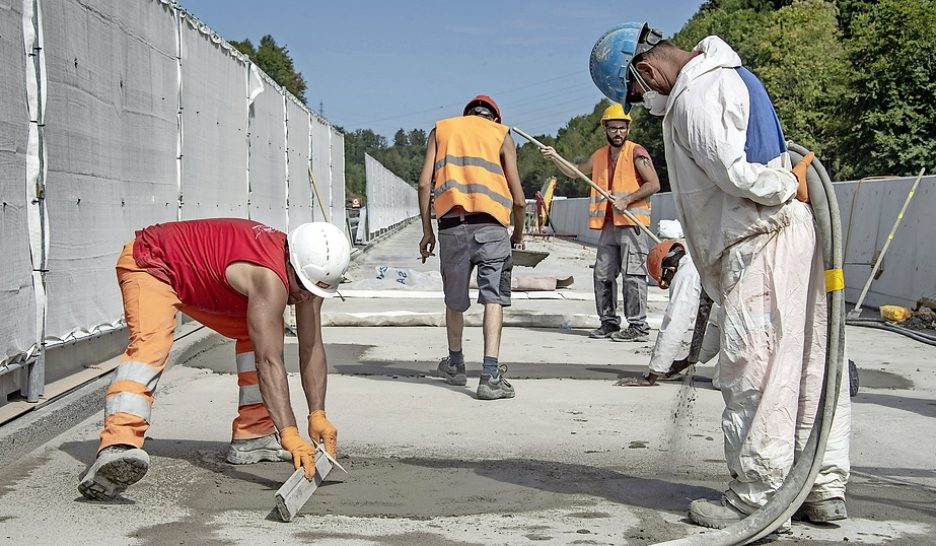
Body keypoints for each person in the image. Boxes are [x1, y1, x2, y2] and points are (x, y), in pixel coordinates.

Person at [589, 23, 851, 528]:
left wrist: (780, 185)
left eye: (636, 93)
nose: (642, 104)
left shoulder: (694, 94)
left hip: (760, 239)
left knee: (756, 370)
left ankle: (757, 497)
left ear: (645, 70)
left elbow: (734, 172)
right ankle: (821, 486)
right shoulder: (732, 74)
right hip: (785, 235)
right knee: (810, 362)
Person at [78, 219, 350, 500]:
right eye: (303, 288)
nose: (304, 297)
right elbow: (269, 362)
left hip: (196, 279)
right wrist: (289, 433)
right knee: (151, 345)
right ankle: (118, 444)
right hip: (151, 262)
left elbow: (312, 345)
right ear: (292, 263)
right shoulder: (269, 276)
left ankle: (254, 435)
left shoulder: (307, 277)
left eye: (313, 292)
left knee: (262, 331)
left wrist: (318, 414)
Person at [417, 95, 526, 400]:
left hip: (452, 227)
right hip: (492, 228)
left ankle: (456, 365)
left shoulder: (441, 130)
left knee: (454, 299)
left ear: (467, 116)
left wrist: (428, 231)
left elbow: (425, 184)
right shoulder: (501, 135)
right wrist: (517, 233)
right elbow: (518, 199)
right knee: (493, 298)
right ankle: (489, 377)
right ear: (494, 117)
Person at [539, 103, 660, 342]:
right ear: (605, 129)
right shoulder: (600, 155)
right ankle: (608, 323)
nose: (618, 133)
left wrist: (627, 199)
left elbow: (654, 184)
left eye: (622, 128)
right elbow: (575, 172)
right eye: (613, 128)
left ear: (628, 129)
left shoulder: (637, 153)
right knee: (602, 275)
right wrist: (555, 158)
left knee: (633, 275)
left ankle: (638, 326)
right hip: (608, 225)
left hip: (631, 223)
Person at [613, 237, 721, 388]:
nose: (669, 283)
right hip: (753, 315)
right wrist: (687, 361)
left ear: (667, 268)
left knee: (725, 383)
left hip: (756, 323)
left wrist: (652, 375)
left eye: (666, 280)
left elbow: (674, 323)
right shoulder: (700, 263)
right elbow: (718, 324)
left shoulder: (686, 274)